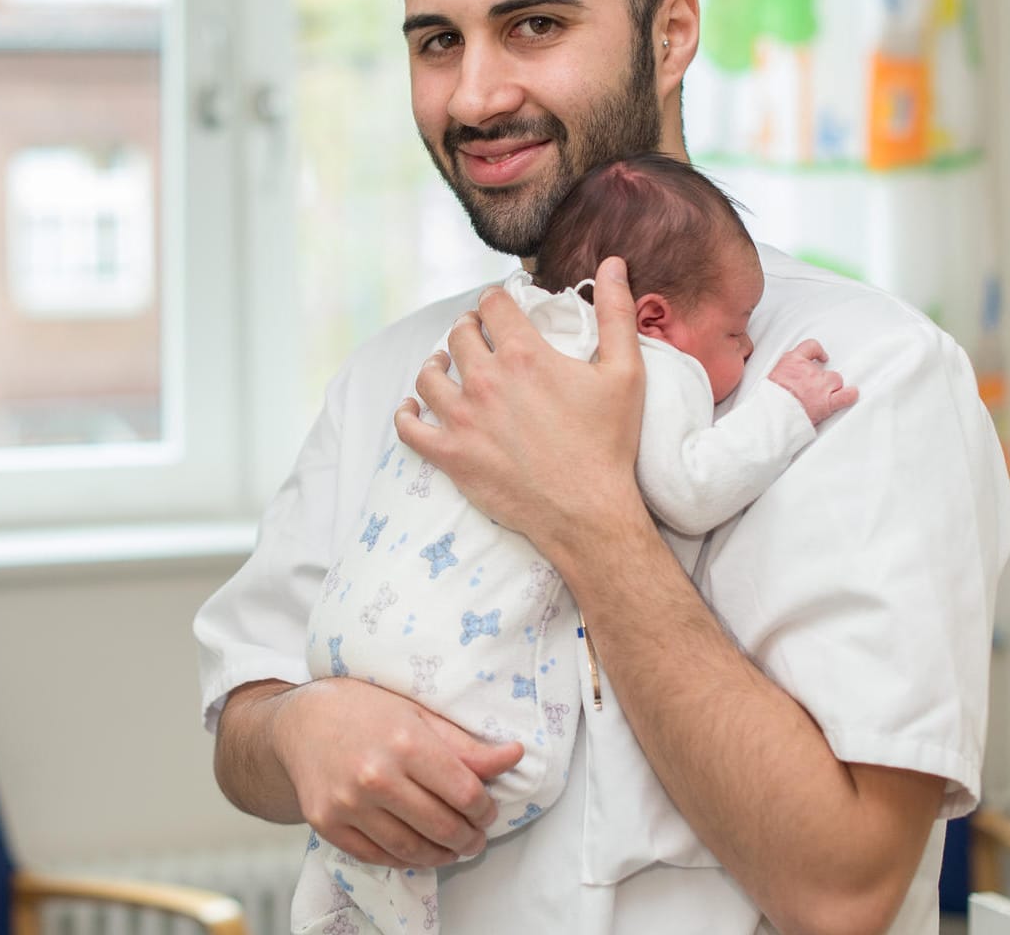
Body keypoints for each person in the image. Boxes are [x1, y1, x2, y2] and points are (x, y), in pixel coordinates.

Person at [194, 0, 1010, 932]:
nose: (476, 94)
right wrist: (303, 735)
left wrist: (587, 513)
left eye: (533, 25)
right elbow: (241, 718)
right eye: (438, 40)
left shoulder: (873, 380)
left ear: (671, 34)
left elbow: (842, 889)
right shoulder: (396, 373)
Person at [293, 154, 857, 935]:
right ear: (651, 316)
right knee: (499, 786)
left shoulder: (501, 334)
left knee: (377, 830)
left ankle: (344, 891)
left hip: (352, 647)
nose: (751, 352)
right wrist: (787, 409)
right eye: (736, 331)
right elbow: (689, 491)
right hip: (458, 692)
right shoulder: (646, 363)